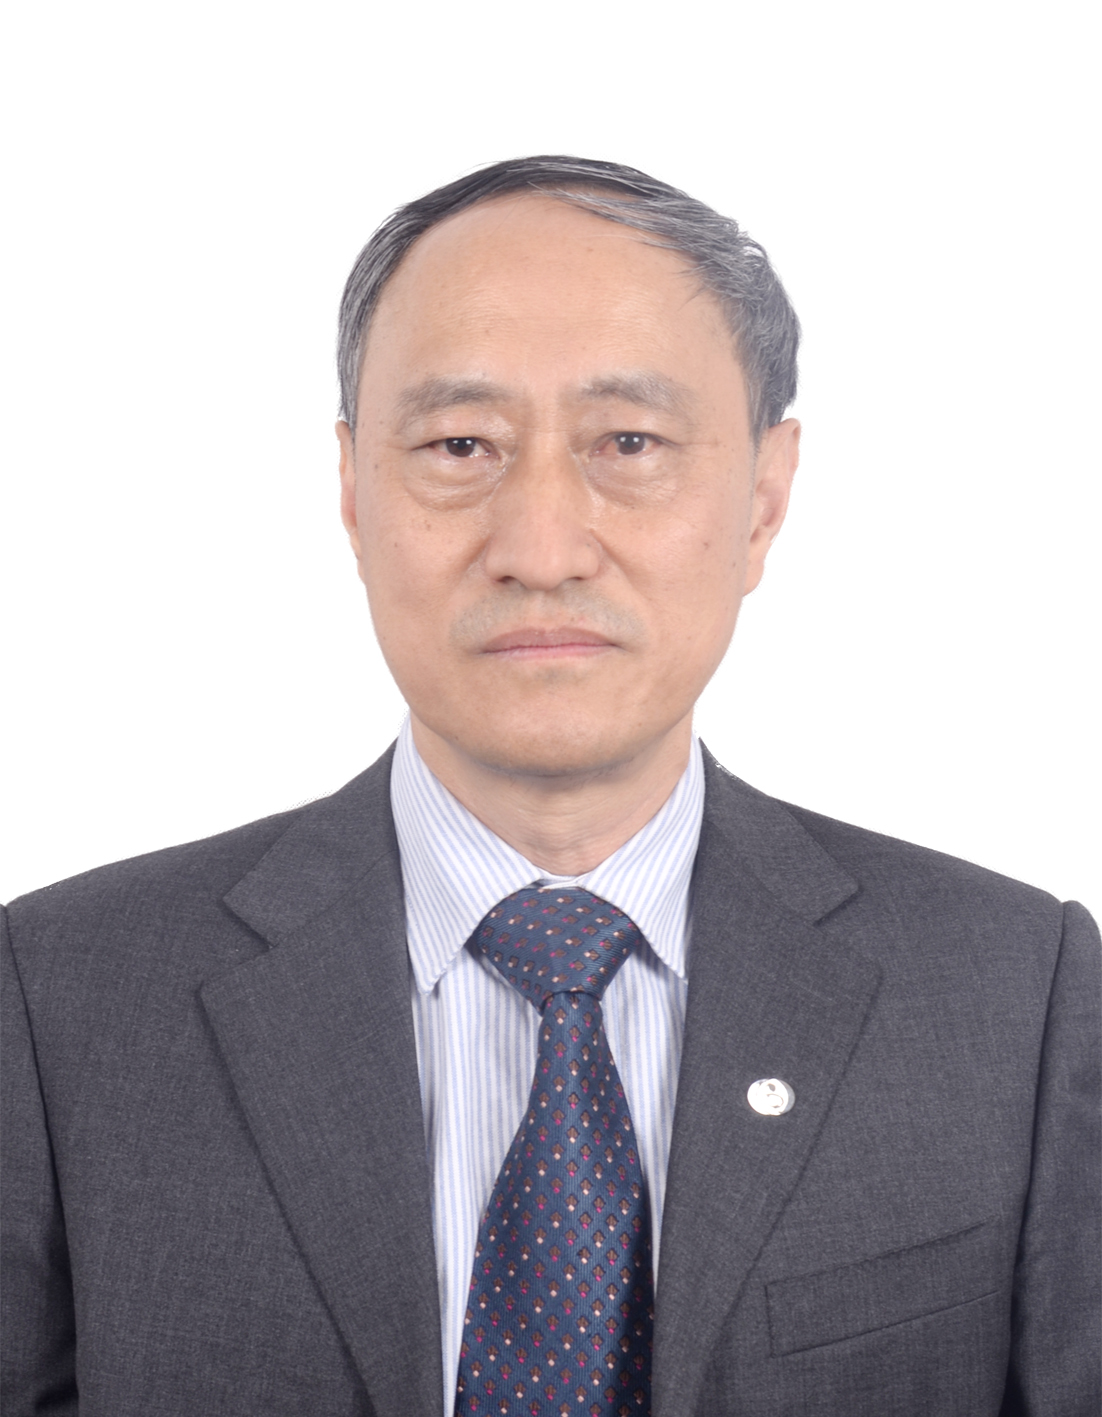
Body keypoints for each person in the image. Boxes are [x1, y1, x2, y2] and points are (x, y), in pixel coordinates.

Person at [2, 156, 1097, 1417]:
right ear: (352, 492)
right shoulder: (60, 999)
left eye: (629, 442)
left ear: (763, 497)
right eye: (459, 444)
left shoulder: (1013, 996)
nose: (538, 548)